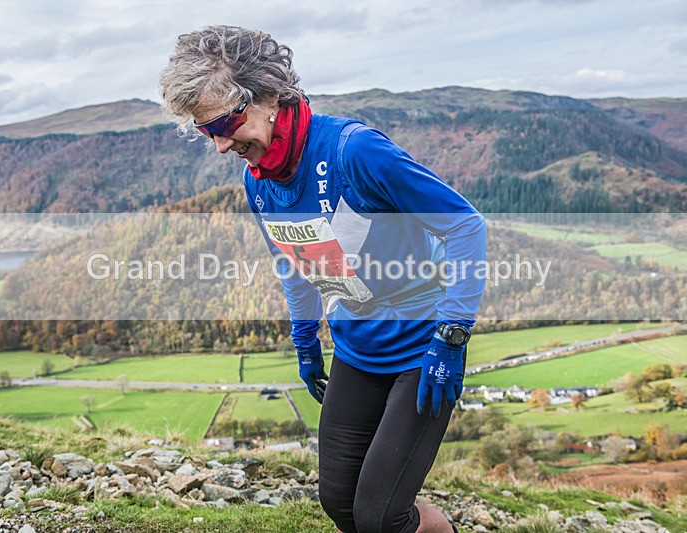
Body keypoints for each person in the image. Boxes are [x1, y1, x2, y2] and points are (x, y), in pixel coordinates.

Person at [160, 25, 486, 533]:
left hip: (423, 348)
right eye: (208, 132)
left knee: (379, 516)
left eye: (226, 123)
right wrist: (305, 339)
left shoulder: (354, 151)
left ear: (268, 96)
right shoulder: (259, 180)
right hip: (357, 349)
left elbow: (465, 224)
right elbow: (296, 264)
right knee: (340, 503)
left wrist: (452, 336)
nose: (221, 145)